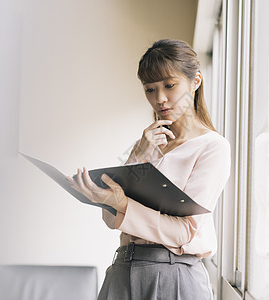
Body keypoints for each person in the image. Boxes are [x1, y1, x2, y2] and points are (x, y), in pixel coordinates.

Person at [68, 39, 231, 300]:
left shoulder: (212, 147)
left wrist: (121, 203)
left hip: (173, 274)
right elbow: (111, 221)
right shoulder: (142, 145)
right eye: (150, 89)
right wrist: (138, 159)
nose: (160, 99)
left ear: (195, 81)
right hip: (122, 267)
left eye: (169, 85)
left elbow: (185, 232)